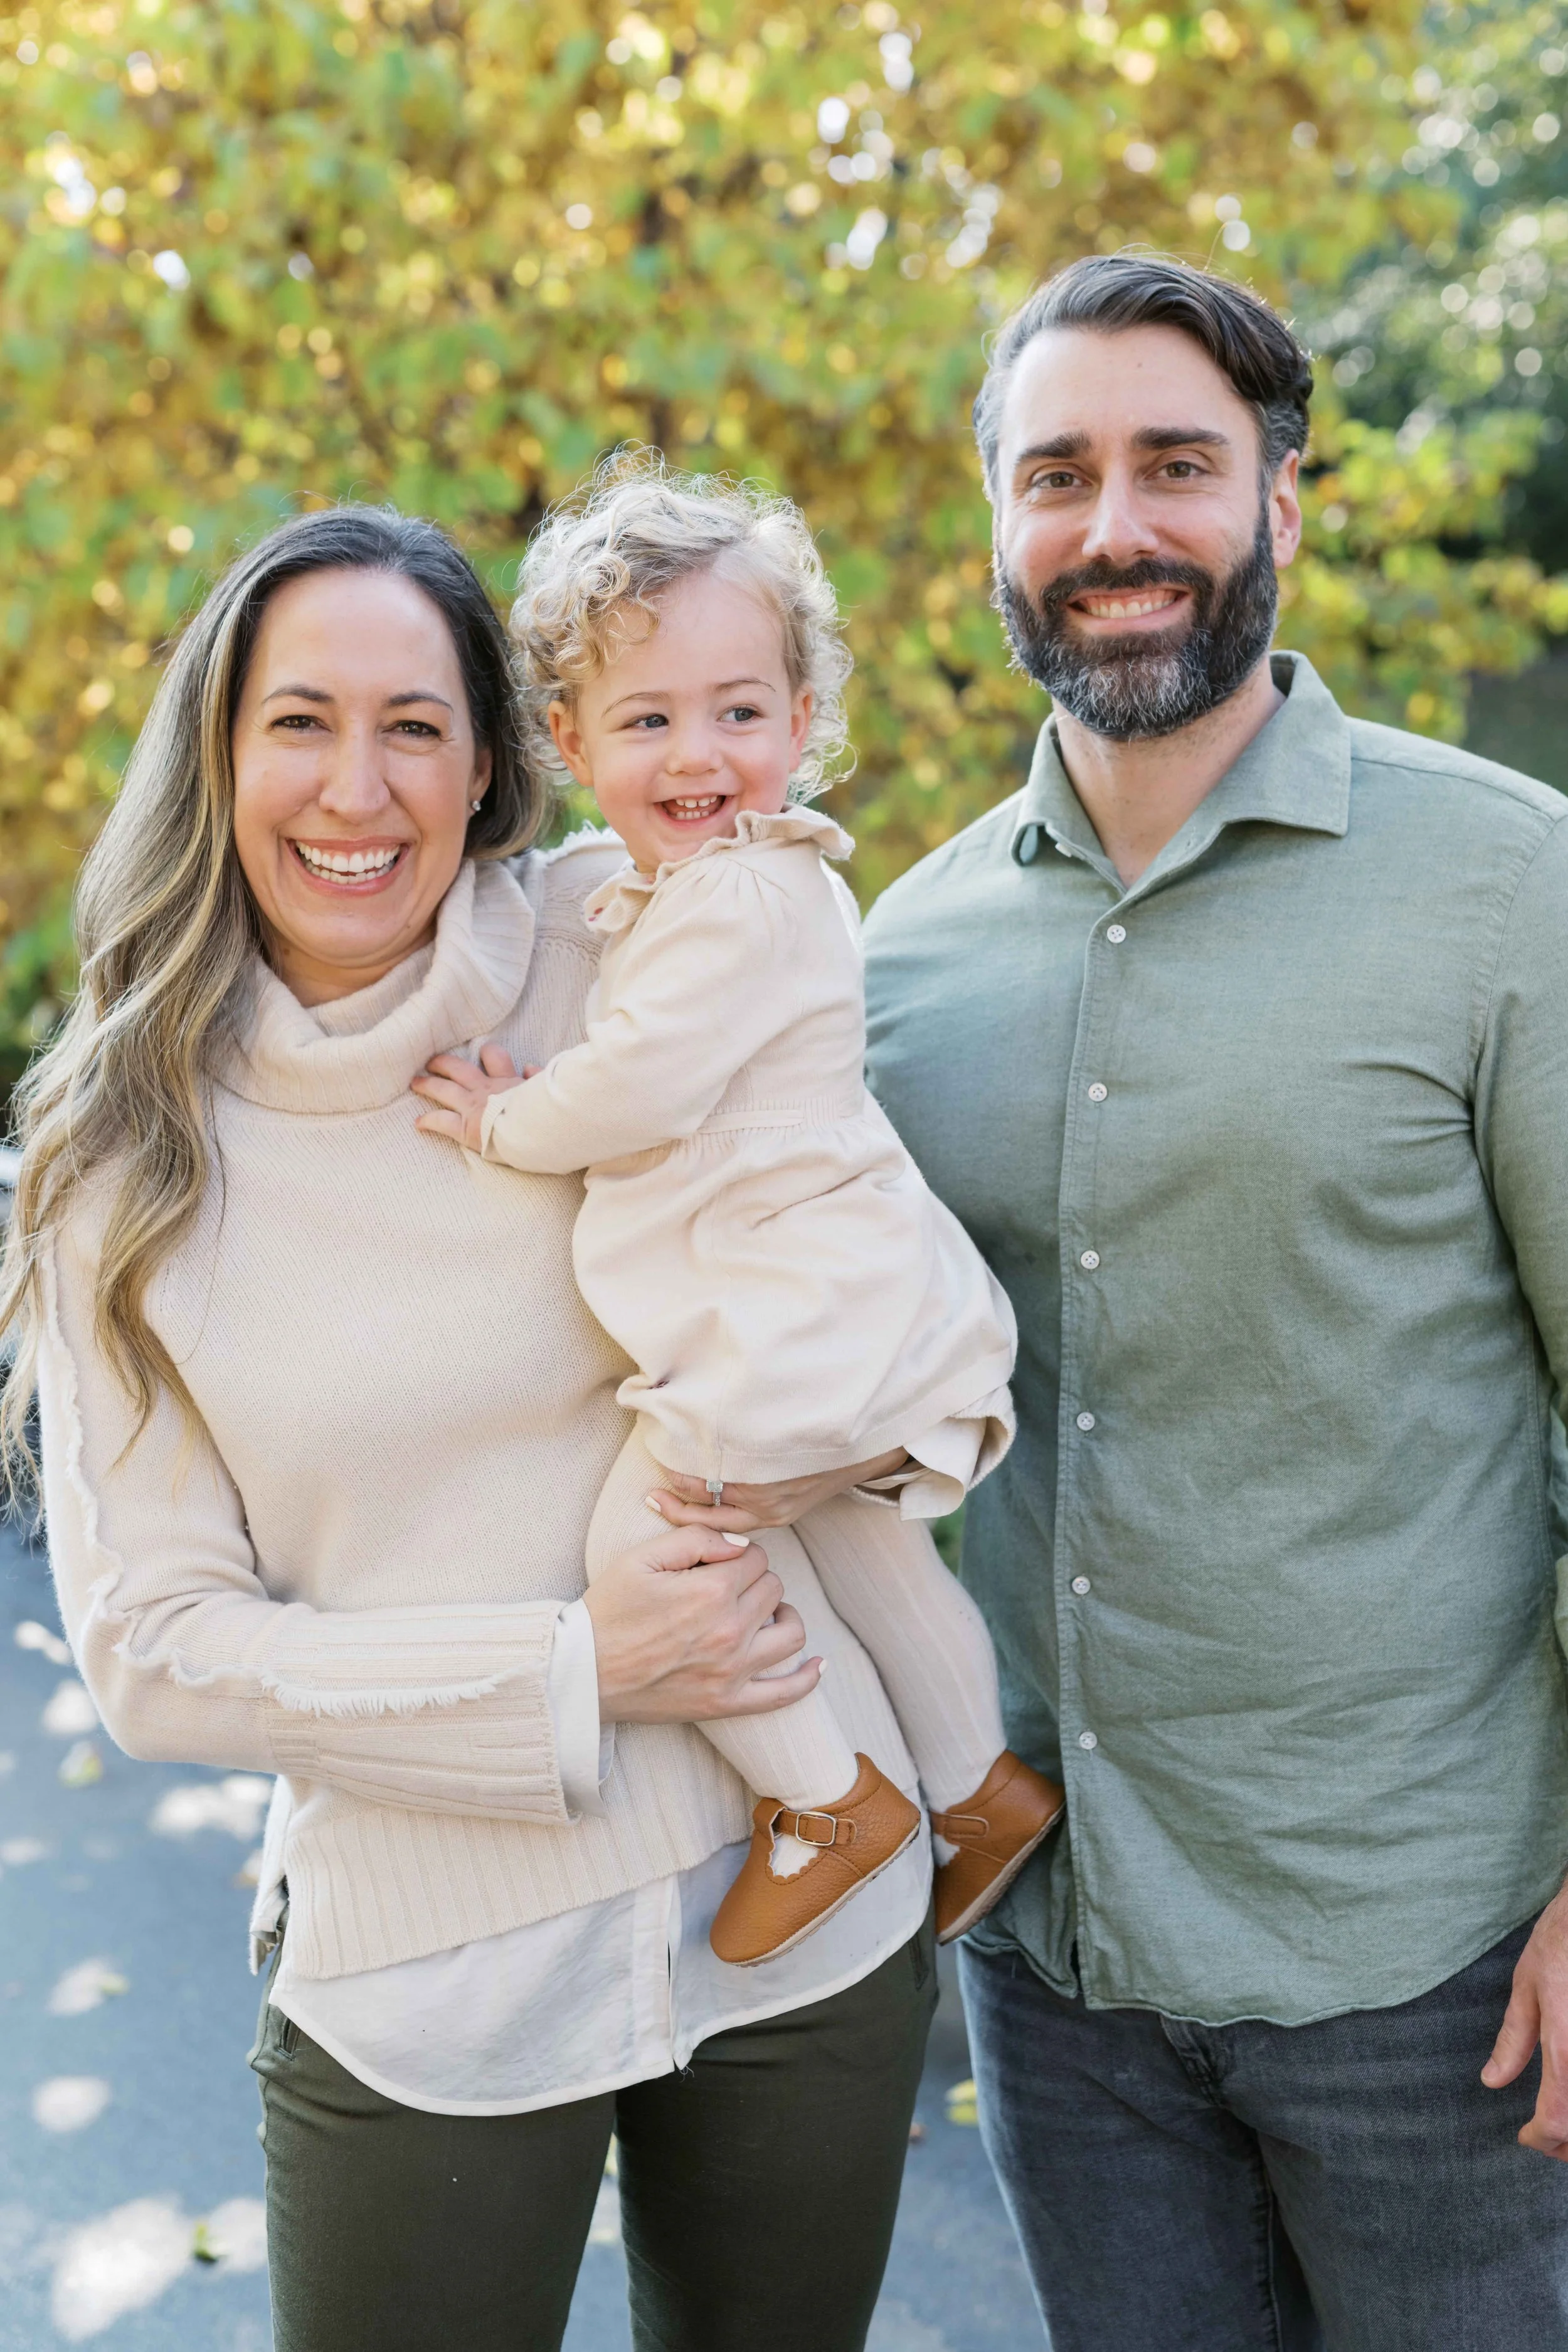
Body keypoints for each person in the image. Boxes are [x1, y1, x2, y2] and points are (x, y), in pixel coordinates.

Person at [0, 505, 943, 2352]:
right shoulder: (111, 1166)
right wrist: (586, 1666)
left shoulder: (637, 944)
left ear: (499, 759)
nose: (358, 787)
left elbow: (864, 1246)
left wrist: (853, 1442)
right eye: (300, 720)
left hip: (808, 1906)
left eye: (415, 724)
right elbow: (157, 1654)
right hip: (426, 1970)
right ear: (216, 749)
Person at [862, 250, 1568, 2350]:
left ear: (1284, 503)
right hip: (1060, 1973)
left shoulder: (1507, 885)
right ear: (999, 526)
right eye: (1056, 474)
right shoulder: (892, 968)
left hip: (1435, 1978)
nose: (1116, 529)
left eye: (1178, 465)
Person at [411, 458, 1062, 1966]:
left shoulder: (742, 896)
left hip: (780, 1308)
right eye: (648, 720)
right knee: (849, 1540)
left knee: (651, 1549)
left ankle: (828, 1799)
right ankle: (977, 1785)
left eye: (739, 714)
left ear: (802, 723)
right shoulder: (710, 890)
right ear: (569, 739)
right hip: (827, 1295)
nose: (698, 754)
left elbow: (638, 1084)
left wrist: (504, 1116)